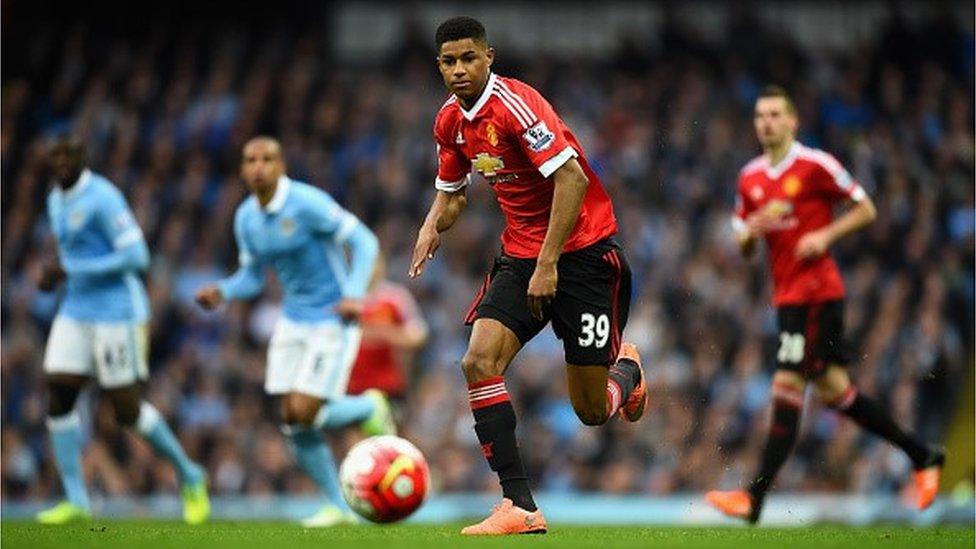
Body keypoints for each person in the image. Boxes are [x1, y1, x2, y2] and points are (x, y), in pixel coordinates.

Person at [409, 17, 647, 535]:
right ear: (439, 66)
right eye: (449, 61)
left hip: (583, 257)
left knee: (590, 411)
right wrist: (432, 224)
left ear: (488, 57)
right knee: (478, 359)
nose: (459, 70)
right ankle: (519, 505)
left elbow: (572, 178)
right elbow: (453, 194)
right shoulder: (449, 121)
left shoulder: (517, 104)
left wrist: (549, 264)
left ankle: (626, 371)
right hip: (521, 257)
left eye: (468, 58)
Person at [706, 86, 945, 524]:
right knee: (838, 393)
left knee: (786, 385)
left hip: (818, 293)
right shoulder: (750, 177)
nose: (767, 122)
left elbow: (866, 208)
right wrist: (749, 233)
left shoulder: (815, 165)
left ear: (793, 121)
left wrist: (825, 236)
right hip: (788, 297)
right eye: (761, 116)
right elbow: (743, 242)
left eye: (776, 114)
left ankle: (754, 498)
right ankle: (924, 454)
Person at [195, 136, 395, 527]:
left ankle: (371, 406)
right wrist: (224, 291)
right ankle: (339, 506)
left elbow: (365, 241)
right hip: (293, 319)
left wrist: (354, 295)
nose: (258, 167)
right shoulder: (246, 218)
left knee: (305, 408)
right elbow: (252, 278)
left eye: (267, 159)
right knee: (291, 419)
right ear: (242, 169)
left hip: (333, 317)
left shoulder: (307, 203)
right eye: (250, 160)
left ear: (281, 165)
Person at [35, 136, 209, 525]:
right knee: (58, 395)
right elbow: (73, 256)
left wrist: (72, 270)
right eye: (55, 156)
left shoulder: (104, 198)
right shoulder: (54, 200)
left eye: (69, 156)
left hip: (118, 313)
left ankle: (189, 473)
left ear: (83, 158)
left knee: (126, 411)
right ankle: (77, 499)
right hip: (75, 310)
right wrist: (54, 277)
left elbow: (137, 257)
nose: (61, 163)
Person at [347, 255, 429, 403]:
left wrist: (384, 334)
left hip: (387, 386)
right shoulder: (346, 300)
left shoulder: (394, 297)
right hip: (350, 387)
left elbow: (418, 335)